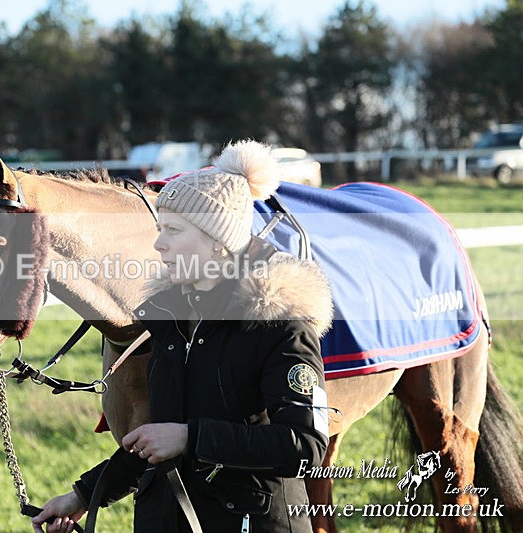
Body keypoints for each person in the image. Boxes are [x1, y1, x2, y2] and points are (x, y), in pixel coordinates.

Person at [32, 139, 334, 533]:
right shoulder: (169, 319)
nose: (158, 244)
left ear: (218, 242)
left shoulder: (280, 325)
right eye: (160, 229)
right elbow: (161, 438)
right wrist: (83, 498)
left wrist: (192, 438)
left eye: (173, 230)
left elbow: (305, 447)